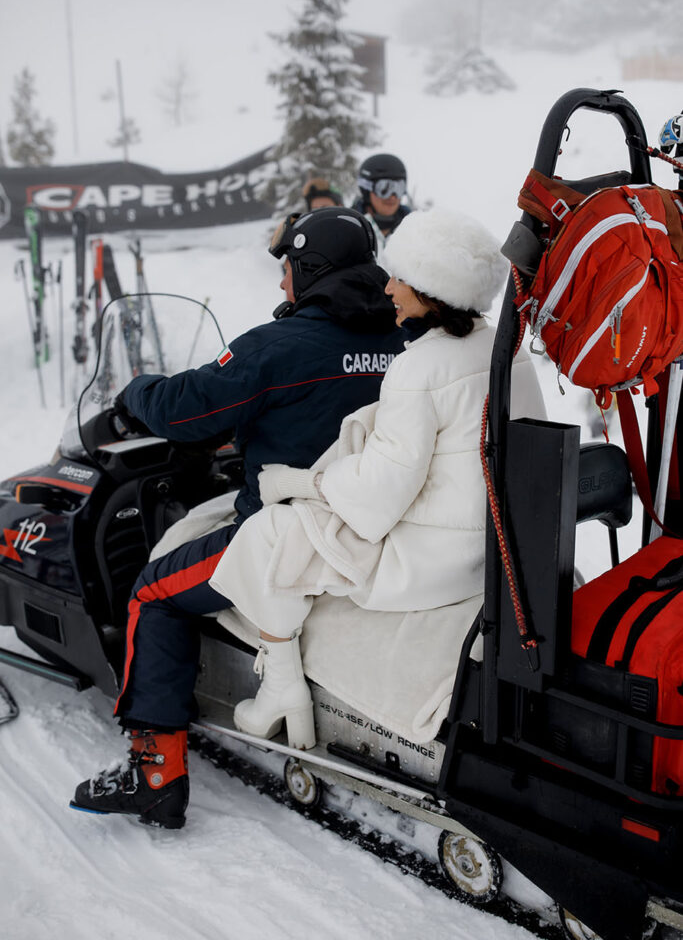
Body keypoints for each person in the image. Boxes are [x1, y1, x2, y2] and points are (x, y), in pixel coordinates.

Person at [70, 206, 407, 828]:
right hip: (382, 528)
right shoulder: (405, 338)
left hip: (292, 534)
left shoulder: (279, 347)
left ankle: (155, 772)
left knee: (153, 592)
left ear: (311, 269)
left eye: (288, 269)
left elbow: (185, 410)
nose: (281, 284)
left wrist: (133, 390)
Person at [209, 207, 546, 750]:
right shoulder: (507, 351)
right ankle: (284, 687)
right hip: (486, 549)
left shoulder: (419, 369)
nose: (386, 287)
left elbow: (376, 499)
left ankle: (282, 687)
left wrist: (298, 484)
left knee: (269, 532)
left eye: (400, 278)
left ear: (432, 290)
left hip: (428, 561)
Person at [352, 152, 412, 257]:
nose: (393, 196)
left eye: (399, 188)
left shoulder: (415, 231)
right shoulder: (348, 228)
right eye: (384, 188)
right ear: (366, 189)